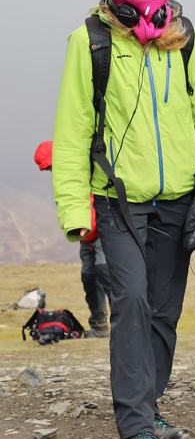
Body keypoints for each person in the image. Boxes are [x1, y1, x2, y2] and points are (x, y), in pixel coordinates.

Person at [52, 0, 195, 439]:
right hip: (117, 197)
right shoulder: (92, 39)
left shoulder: (185, 35)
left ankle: (148, 409)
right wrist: (77, 210)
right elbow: (74, 128)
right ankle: (134, 428)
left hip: (177, 197)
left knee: (164, 310)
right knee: (129, 303)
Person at [34, 139, 111, 338]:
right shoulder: (64, 182)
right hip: (86, 237)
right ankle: (99, 326)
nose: (51, 171)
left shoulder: (84, 169)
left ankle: (125, 322)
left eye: (51, 166)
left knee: (106, 273)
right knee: (89, 278)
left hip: (103, 231)